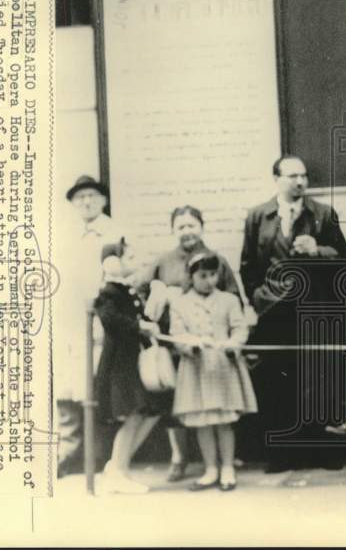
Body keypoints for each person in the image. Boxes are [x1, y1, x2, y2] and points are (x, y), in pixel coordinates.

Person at [240, 155, 346, 472]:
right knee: (277, 383)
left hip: (313, 311)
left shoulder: (323, 214)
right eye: (292, 176)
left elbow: (343, 258)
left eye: (303, 176)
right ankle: (280, 455)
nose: (300, 182)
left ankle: (319, 452)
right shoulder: (257, 217)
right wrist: (259, 300)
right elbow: (248, 266)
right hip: (274, 315)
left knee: (316, 382)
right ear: (276, 179)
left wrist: (317, 250)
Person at [140, 205, 243, 482]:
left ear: (201, 226)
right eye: (181, 227)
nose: (187, 231)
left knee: (216, 410)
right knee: (180, 405)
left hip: (213, 346)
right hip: (175, 342)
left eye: (191, 225)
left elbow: (233, 298)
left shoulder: (216, 259)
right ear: (173, 230)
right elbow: (140, 293)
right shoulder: (163, 261)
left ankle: (221, 465)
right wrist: (160, 293)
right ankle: (179, 457)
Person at [170, 252, 258, 491]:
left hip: (222, 367)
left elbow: (240, 329)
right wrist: (192, 344)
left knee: (224, 420)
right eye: (202, 276)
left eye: (213, 275)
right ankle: (210, 469)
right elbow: (177, 334)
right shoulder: (180, 303)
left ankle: (227, 467)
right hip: (196, 369)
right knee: (203, 420)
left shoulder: (229, 300)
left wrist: (233, 344)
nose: (209, 280)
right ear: (191, 277)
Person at [55, 175, 124, 478]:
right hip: (68, 319)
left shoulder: (115, 232)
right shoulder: (64, 233)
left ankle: (97, 455)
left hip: (102, 319)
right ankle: (67, 454)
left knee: (96, 386)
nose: (86, 202)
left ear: (103, 200)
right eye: (80, 197)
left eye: (92, 196)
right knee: (67, 388)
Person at [93, 239, 165, 494]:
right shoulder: (109, 291)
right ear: (113, 263)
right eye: (130, 257)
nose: (136, 262)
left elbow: (139, 318)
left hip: (131, 362)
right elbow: (111, 319)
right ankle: (117, 471)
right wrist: (140, 326)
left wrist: (150, 320)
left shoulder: (127, 291)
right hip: (118, 365)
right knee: (133, 414)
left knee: (148, 412)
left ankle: (116, 468)